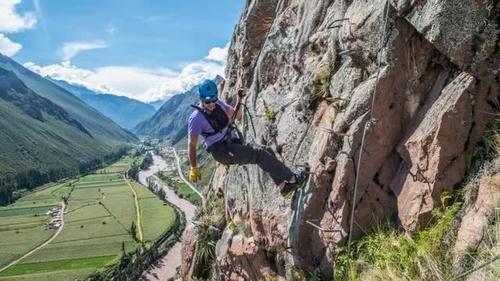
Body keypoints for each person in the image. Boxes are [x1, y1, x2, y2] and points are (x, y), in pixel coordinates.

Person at [187, 79, 308, 198]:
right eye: (207, 102)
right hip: (222, 151)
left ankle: (283, 187)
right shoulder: (196, 118)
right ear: (201, 98)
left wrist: (240, 99)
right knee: (259, 154)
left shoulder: (218, 104)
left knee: (266, 150)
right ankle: (294, 179)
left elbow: (236, 116)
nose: (211, 104)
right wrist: (193, 167)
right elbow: (192, 144)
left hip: (231, 143)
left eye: (213, 99)